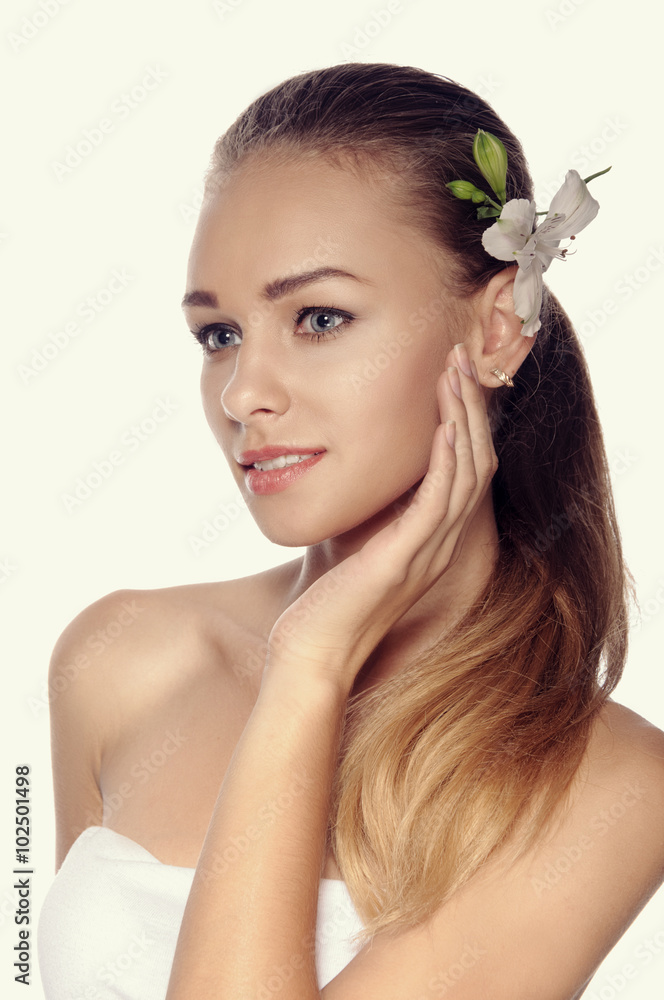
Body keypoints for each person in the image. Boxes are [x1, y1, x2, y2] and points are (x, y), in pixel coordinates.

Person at [38, 62, 664, 999]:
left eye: (319, 317)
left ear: (498, 330)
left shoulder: (603, 782)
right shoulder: (122, 659)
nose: (244, 393)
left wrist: (309, 667)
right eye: (219, 335)